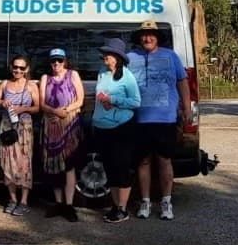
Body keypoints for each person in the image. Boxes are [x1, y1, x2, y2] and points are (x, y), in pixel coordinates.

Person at [127, 20, 191, 221]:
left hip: (166, 118)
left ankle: (166, 202)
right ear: (139, 38)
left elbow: (182, 82)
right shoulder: (130, 57)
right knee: (143, 161)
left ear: (157, 38)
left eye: (151, 34)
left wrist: (187, 107)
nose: (147, 38)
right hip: (139, 119)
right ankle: (145, 202)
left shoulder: (171, 56)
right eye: (144, 35)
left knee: (164, 160)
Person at [93, 38, 141, 223]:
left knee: (122, 167)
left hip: (121, 128)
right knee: (110, 168)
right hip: (102, 128)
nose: (104, 56)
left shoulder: (127, 76)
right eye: (104, 53)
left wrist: (113, 100)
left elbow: (136, 102)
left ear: (117, 57)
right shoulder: (102, 73)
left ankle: (122, 208)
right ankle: (115, 205)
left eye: (108, 54)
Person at [0, 55, 40, 216]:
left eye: (21, 68)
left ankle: (24, 201)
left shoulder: (31, 86)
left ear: (27, 69)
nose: (18, 70)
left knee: (24, 162)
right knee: (8, 161)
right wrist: (1, 102)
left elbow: (37, 107)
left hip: (24, 127)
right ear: (11, 67)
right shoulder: (5, 84)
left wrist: (23, 109)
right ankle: (12, 199)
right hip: (7, 126)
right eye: (15, 67)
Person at [39, 48, 85, 222]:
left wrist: (63, 111)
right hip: (51, 125)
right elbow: (42, 103)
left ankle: (69, 204)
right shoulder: (45, 78)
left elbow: (80, 100)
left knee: (69, 164)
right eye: (53, 61)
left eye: (59, 60)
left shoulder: (73, 75)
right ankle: (58, 203)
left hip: (70, 124)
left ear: (65, 61)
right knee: (53, 164)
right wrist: (54, 112)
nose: (56, 64)